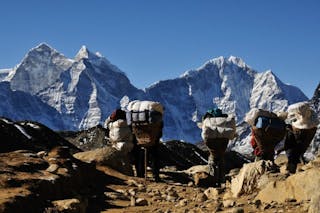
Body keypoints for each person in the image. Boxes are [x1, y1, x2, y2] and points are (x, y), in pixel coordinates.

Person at [201, 108, 236, 187]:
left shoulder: (208, 121)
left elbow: (204, 134)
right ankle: (221, 181)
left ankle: (213, 180)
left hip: (211, 142)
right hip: (223, 141)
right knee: (221, 159)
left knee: (213, 159)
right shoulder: (225, 121)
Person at [281, 102, 319, 174]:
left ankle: (291, 168)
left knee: (292, 149)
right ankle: (298, 162)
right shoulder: (311, 118)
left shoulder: (296, 123)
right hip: (309, 132)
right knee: (301, 147)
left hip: (300, 132)